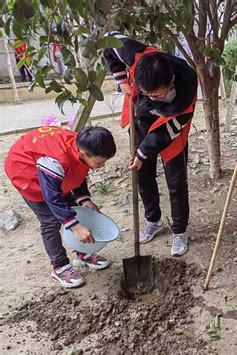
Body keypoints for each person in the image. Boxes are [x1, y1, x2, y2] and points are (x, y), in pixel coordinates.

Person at [103, 32, 198, 256]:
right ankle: (153, 219)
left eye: (158, 94)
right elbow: (108, 42)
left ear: (171, 80)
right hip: (142, 123)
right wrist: (122, 81)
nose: (153, 98)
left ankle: (179, 231)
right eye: (148, 94)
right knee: (142, 174)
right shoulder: (137, 56)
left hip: (172, 130)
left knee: (176, 182)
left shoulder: (187, 85)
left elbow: (168, 131)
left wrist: (143, 151)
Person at [4, 126, 117, 288]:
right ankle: (59, 266)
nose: (102, 166)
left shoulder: (82, 145)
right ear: (83, 154)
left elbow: (79, 169)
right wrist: (74, 226)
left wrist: (84, 200)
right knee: (51, 220)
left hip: (53, 175)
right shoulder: (56, 160)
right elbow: (52, 197)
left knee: (76, 211)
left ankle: (82, 254)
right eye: (99, 163)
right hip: (27, 174)